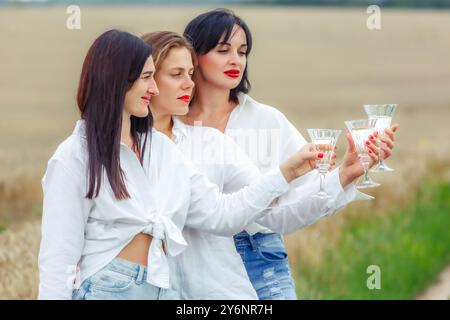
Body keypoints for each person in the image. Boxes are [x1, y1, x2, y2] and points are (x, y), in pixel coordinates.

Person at [37, 29, 326, 300]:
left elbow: (222, 214)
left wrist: (287, 172)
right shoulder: (74, 156)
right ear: (117, 80)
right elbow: (58, 257)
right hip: (106, 288)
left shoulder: (162, 149)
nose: (153, 88)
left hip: (163, 288)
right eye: (146, 77)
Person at [142, 31, 387, 299]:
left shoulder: (211, 142)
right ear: (145, 79)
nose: (188, 83)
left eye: (189, 74)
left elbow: (273, 211)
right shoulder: (109, 145)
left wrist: (343, 175)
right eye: (177, 74)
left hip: (219, 287)